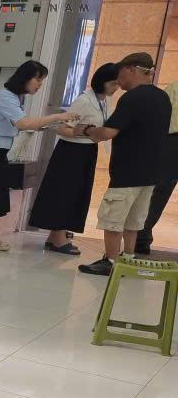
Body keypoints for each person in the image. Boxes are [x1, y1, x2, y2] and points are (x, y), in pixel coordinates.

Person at [0, 60, 79, 255]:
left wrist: (52, 125)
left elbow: (26, 125)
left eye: (42, 81)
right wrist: (56, 117)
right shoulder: (4, 97)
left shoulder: (17, 98)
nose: (40, 85)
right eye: (38, 79)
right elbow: (23, 124)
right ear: (25, 78)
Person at [77, 53, 173, 275]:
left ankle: (110, 261)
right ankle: (128, 258)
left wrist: (87, 130)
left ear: (131, 69)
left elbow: (108, 132)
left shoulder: (132, 98)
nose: (118, 81)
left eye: (120, 74)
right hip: (151, 171)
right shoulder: (162, 97)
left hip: (128, 169)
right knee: (134, 219)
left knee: (113, 217)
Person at [29, 63, 120, 255]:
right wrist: (82, 132)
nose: (116, 87)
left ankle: (54, 236)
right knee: (64, 193)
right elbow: (60, 127)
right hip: (71, 151)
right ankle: (58, 238)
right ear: (102, 81)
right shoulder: (84, 100)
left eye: (117, 83)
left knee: (76, 194)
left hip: (88, 150)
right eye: (113, 83)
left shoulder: (103, 101)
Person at [135, 80, 178, 255]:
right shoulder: (175, 86)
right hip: (173, 140)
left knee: (159, 191)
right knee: (160, 190)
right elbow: (160, 112)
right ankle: (141, 236)